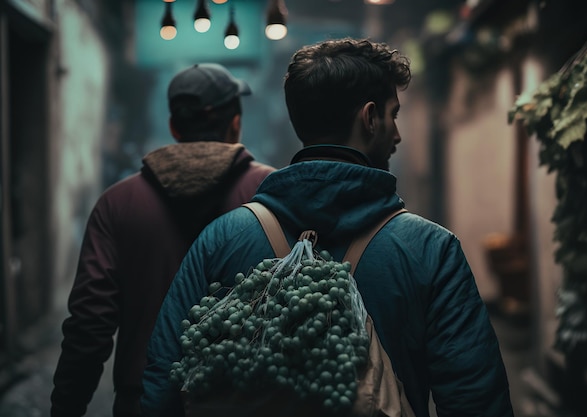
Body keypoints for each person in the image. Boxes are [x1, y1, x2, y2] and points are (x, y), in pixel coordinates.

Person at [141, 38, 514, 417]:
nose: (397, 135)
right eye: (393, 115)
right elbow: (475, 400)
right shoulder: (430, 249)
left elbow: (164, 383)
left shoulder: (221, 237)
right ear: (369, 118)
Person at [50, 63, 276, 417]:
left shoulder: (117, 203)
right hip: (247, 401)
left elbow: (89, 325)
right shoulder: (271, 193)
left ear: (174, 126)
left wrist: (66, 408)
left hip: (142, 402)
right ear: (236, 123)